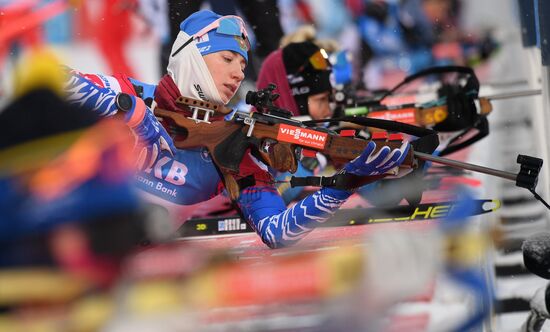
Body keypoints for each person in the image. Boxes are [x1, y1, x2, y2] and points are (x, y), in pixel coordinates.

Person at [63, 10, 410, 249]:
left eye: (243, 65)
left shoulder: (232, 148)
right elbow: (54, 81)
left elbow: (278, 232)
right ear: (192, 55)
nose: (237, 74)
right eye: (227, 59)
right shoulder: (134, 92)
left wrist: (345, 183)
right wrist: (135, 116)